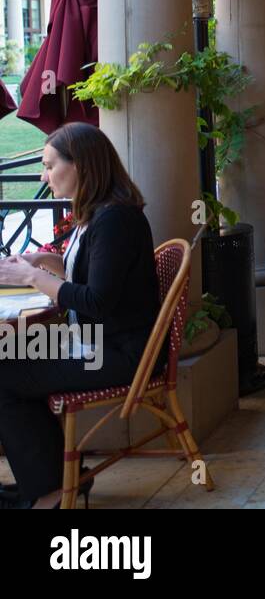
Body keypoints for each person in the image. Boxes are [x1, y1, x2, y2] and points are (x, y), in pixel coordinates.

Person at [0, 123, 161, 509]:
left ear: (82, 166)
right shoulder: (102, 215)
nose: (44, 175)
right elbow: (94, 277)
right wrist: (47, 261)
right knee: (7, 353)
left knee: (4, 371)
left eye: (50, 165)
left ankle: (52, 491)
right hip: (97, 344)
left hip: (117, 353)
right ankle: (54, 481)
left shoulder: (115, 220)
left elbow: (98, 300)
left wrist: (32, 276)